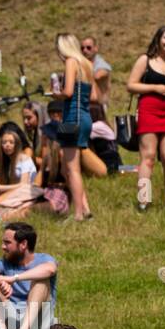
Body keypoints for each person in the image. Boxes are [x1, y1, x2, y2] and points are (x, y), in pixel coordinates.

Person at [127, 26, 165, 210]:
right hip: (149, 109)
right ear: (158, 39)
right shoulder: (145, 60)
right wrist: (154, 88)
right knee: (148, 156)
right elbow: (131, 85)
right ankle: (144, 200)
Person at [52, 33, 96, 221]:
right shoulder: (87, 64)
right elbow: (93, 96)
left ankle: (78, 214)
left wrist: (56, 94)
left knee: (72, 169)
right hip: (85, 117)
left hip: (72, 117)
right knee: (67, 167)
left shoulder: (71, 62)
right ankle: (85, 208)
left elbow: (68, 92)